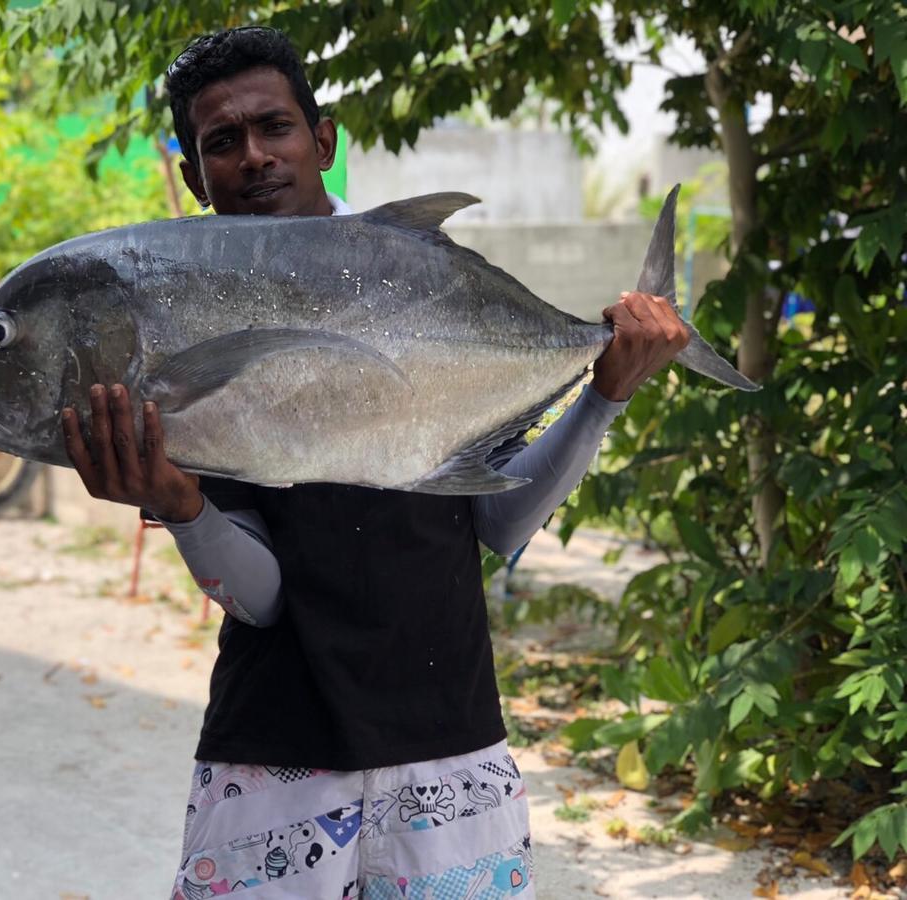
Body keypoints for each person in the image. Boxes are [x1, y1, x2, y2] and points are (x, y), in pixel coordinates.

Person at [61, 26, 690, 900]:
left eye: (274, 127)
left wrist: (605, 390)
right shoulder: (188, 316)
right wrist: (180, 503)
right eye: (221, 143)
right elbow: (265, 598)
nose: (253, 156)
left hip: (453, 743)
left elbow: (499, 522)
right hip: (275, 756)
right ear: (197, 176)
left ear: (323, 140)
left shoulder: (416, 276)